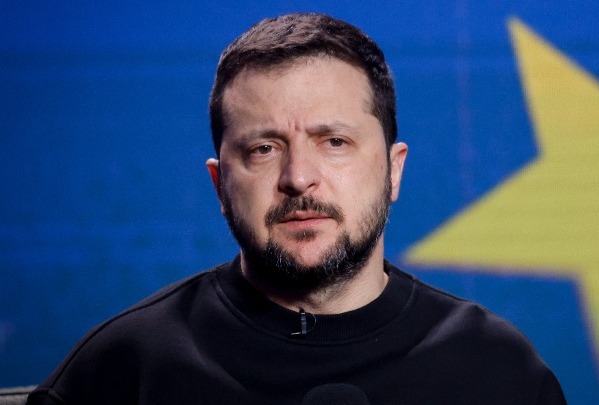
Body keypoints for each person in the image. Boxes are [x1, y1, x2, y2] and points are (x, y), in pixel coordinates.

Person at [28, 13, 566, 404]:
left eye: (334, 142)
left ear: (394, 170)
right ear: (219, 184)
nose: (298, 177)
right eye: (263, 149)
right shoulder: (122, 371)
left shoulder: (495, 370)